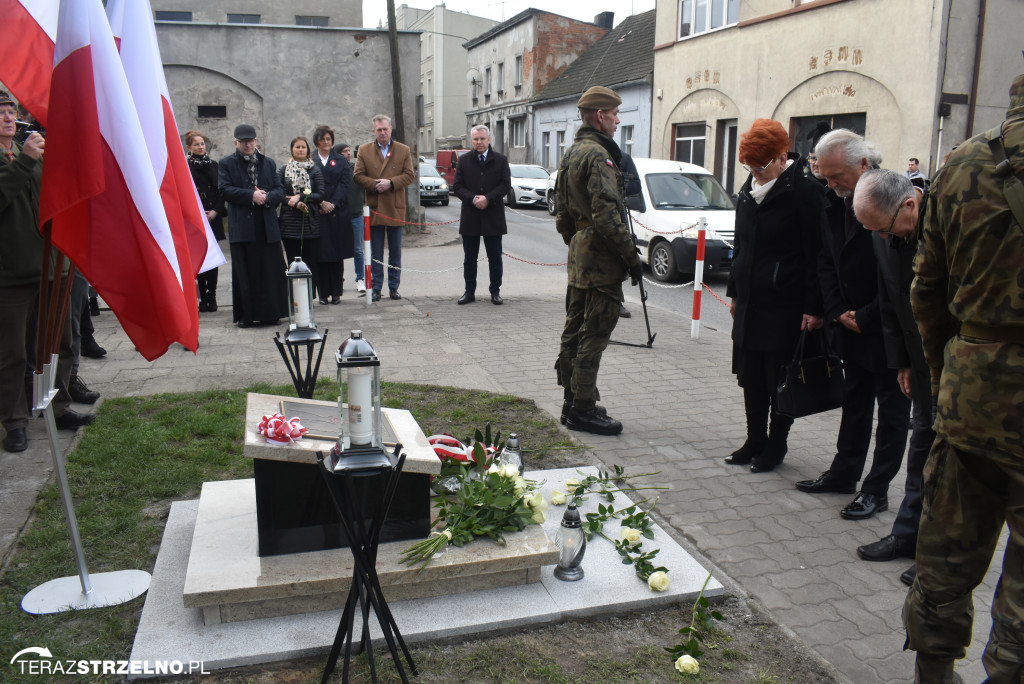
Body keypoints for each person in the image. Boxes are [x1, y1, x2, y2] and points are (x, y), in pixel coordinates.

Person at [902, 73, 1024, 684]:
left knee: (947, 543)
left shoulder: (965, 164)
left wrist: (944, 369)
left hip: (972, 389)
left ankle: (934, 668)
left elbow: (927, 289)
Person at [797, 129, 910, 520]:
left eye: (837, 176)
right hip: (848, 323)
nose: (831, 185)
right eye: (825, 177)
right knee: (854, 404)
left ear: (863, 164)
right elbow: (826, 259)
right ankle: (844, 473)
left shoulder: (891, 195)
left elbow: (902, 275)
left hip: (887, 328)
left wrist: (866, 315)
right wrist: (836, 311)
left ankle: (876, 490)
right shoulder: (833, 199)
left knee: (893, 414)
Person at [725, 119, 825, 473]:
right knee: (751, 376)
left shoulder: (805, 193)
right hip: (752, 301)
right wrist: (734, 291)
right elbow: (741, 246)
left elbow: (817, 256)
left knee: (778, 380)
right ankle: (754, 440)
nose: (755, 172)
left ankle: (776, 444)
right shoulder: (749, 191)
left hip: (786, 304)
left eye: (761, 166)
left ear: (783, 157)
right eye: (749, 166)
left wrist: (814, 308)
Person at [851, 169, 934, 587]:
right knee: (921, 450)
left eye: (882, 230)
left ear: (909, 205)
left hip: (956, 367)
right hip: (919, 362)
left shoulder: (946, 223)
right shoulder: (888, 230)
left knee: (947, 468)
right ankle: (906, 536)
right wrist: (902, 360)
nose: (881, 239)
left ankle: (937, 557)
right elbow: (892, 300)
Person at [0, 91, 94, 453]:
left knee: (57, 345)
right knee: (11, 353)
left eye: (11, 112)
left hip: (53, 268)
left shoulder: (37, 157)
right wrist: (25, 161)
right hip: (11, 276)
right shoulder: (25, 158)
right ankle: (15, 421)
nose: (9, 118)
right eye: (2, 113)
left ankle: (57, 406)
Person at [554, 86, 642, 436]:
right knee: (595, 334)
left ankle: (571, 399)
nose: (618, 120)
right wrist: (632, 258)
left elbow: (562, 215)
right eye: (615, 114)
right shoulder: (599, 157)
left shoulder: (573, 153)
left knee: (574, 329)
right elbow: (608, 217)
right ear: (599, 116)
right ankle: (583, 410)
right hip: (601, 260)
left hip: (580, 255)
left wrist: (578, 243)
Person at [218, 123, 288, 328]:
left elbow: (279, 190)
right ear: (236, 143)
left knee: (270, 271)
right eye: (243, 142)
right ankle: (246, 315)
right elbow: (225, 190)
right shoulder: (227, 163)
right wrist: (251, 195)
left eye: (251, 141)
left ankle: (272, 313)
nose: (248, 145)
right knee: (245, 272)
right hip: (243, 225)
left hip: (266, 224)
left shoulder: (268, 163)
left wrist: (266, 197)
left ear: (256, 141)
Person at [353, 114, 414, 302]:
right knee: (375, 252)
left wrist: (391, 183)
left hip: (395, 206)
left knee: (395, 251)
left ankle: (394, 287)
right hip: (375, 207)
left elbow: (410, 175)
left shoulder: (403, 150)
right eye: (379, 129)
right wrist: (374, 184)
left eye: (385, 129)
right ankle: (377, 287)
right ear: (374, 131)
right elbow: (357, 175)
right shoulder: (364, 150)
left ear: (390, 129)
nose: (382, 132)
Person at [453, 125, 510, 305]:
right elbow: (457, 187)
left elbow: (505, 185)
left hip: (493, 216)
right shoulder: (464, 161)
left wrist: (488, 198)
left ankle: (495, 291)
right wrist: (473, 198)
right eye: (476, 139)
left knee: (495, 257)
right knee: (469, 258)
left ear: (489, 139)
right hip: (471, 216)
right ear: (472, 141)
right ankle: (469, 291)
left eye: (482, 139)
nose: (479, 142)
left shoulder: (501, 160)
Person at [185, 129, 226, 313]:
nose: (200, 147)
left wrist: (216, 210)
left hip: (213, 216)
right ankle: (203, 297)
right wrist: (199, 213)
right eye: (196, 144)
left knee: (214, 258)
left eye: (202, 144)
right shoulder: (186, 167)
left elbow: (221, 190)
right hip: (197, 217)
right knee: (201, 258)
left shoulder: (214, 165)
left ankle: (213, 296)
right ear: (189, 147)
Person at [278, 136, 323, 295]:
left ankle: (310, 295)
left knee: (310, 259)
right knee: (292, 259)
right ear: (292, 149)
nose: (300, 149)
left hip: (309, 221)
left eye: (303, 147)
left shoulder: (314, 169)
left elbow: (320, 194)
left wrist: (303, 197)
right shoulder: (284, 169)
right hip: (289, 222)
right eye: (297, 147)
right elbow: (278, 194)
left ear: (308, 150)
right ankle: (294, 293)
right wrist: (294, 202)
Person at [311, 126, 352, 304]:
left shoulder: (340, 160)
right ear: (317, 141)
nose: (326, 142)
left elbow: (344, 184)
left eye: (328, 139)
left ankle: (336, 292)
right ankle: (322, 293)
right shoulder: (310, 160)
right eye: (322, 139)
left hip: (337, 212)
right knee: (320, 255)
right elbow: (307, 184)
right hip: (317, 211)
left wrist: (333, 204)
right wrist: (320, 202)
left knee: (336, 255)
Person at [337, 143, 366, 294]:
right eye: (344, 151)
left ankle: (360, 279)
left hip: (356, 214)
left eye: (349, 151)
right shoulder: (334, 170)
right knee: (338, 249)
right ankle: (338, 280)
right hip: (339, 215)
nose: (348, 154)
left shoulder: (356, 169)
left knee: (358, 249)